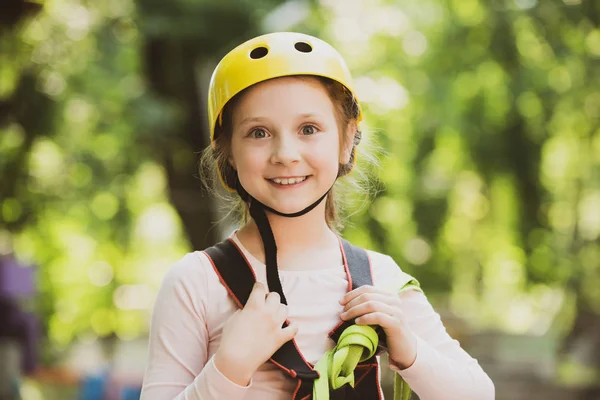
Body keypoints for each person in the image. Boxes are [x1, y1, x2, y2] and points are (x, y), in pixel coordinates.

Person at [140, 32, 495, 400]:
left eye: (308, 129)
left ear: (346, 140)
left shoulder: (380, 280)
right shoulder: (195, 284)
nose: (286, 153)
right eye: (258, 133)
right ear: (228, 151)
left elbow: (478, 393)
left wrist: (409, 349)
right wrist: (229, 366)